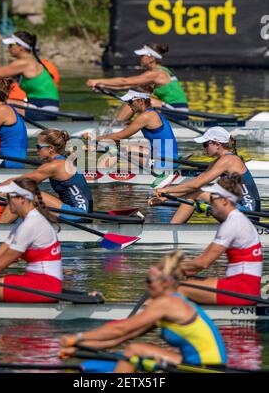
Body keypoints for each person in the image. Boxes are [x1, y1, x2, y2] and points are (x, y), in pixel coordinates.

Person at [59, 251, 227, 373]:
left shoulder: (168, 303)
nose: (146, 286)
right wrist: (80, 348)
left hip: (205, 369)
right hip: (193, 364)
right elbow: (123, 337)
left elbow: (121, 328)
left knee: (135, 349)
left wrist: (79, 337)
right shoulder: (169, 305)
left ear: (165, 282)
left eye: (149, 281)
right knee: (131, 350)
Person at [0, 178, 63, 303]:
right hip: (34, 282)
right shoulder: (24, 223)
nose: (7, 201)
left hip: (43, 287)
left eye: (10, 197)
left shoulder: (31, 224)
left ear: (22, 199)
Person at [0, 129, 93, 223]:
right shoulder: (62, 160)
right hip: (77, 212)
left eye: (38, 147)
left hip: (78, 215)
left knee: (22, 192)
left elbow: (16, 183)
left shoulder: (54, 166)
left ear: (51, 149)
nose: (36, 150)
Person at [178, 174, 262, 305]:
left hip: (242, 290)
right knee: (187, 279)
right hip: (244, 287)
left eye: (213, 198)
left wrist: (170, 269)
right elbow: (196, 267)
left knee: (177, 287)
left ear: (224, 200)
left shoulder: (232, 223)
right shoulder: (237, 219)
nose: (210, 202)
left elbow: (203, 263)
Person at [150, 126, 260, 223]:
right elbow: (194, 184)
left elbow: (195, 185)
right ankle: (172, 228)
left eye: (205, 144)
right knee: (199, 192)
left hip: (249, 214)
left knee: (196, 194)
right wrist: (165, 198)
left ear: (217, 144)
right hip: (236, 210)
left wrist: (166, 190)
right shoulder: (218, 161)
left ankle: (172, 229)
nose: (204, 148)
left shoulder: (229, 160)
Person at [0, 31, 59, 121]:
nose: (8, 48)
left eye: (11, 45)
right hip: (36, 106)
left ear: (21, 47)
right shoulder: (24, 65)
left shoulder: (25, 63)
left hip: (44, 109)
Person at [84, 87, 178, 172]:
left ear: (141, 101)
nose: (128, 105)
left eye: (130, 101)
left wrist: (95, 138)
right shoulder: (152, 112)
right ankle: (99, 165)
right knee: (123, 144)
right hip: (165, 157)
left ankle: (98, 175)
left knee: (117, 149)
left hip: (164, 163)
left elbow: (118, 136)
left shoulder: (146, 116)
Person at [87, 44, 188, 121]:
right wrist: (102, 86)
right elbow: (127, 85)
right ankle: (121, 124)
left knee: (136, 98)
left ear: (151, 58)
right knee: (135, 95)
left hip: (176, 111)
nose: (140, 58)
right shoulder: (157, 72)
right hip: (173, 110)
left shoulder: (157, 73)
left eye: (142, 55)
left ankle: (117, 126)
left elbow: (124, 81)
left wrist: (97, 80)